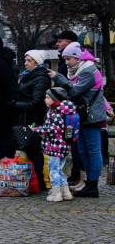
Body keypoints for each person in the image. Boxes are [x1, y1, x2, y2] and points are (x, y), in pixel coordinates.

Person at [51, 42, 107, 198]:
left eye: (69, 59)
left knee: (93, 150)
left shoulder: (88, 71)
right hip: (82, 116)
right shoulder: (80, 70)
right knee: (83, 150)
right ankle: (89, 183)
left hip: (92, 117)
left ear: (77, 58)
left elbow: (75, 91)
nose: (67, 63)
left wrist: (58, 77)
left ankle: (92, 185)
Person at [12, 50, 50, 188]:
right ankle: (34, 178)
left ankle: (39, 180)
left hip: (33, 118)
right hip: (25, 116)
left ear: (37, 62)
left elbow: (36, 102)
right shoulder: (27, 76)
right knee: (29, 149)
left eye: (29, 60)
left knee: (34, 149)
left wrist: (15, 104)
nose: (26, 63)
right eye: (25, 60)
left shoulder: (40, 78)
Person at [54, 30, 85, 187]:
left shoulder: (77, 66)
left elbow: (71, 87)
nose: (57, 44)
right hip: (66, 108)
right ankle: (75, 173)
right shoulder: (64, 63)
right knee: (72, 142)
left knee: (76, 142)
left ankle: (80, 175)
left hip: (72, 110)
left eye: (61, 41)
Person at [34, 87, 76, 202]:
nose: (45, 100)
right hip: (63, 146)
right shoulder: (62, 112)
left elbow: (53, 130)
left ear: (55, 99)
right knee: (59, 170)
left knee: (53, 170)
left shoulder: (55, 114)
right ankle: (66, 192)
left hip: (54, 146)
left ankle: (56, 193)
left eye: (48, 98)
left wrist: (38, 130)